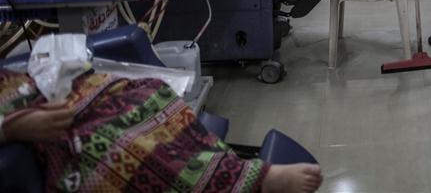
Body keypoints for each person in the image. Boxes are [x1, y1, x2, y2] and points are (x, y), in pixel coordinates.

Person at [0, 67, 322, 192]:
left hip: (23, 90)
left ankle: (220, 167)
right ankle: (248, 182)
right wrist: (10, 128)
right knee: (114, 142)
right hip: (18, 119)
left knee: (150, 92)